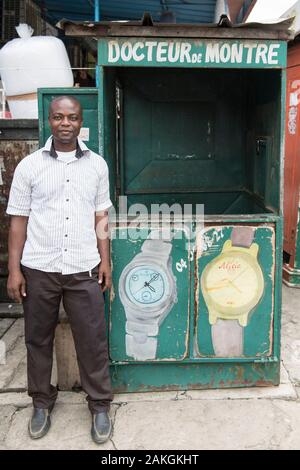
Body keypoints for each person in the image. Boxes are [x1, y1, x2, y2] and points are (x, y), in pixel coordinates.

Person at [6, 96, 113, 444]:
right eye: (58, 117)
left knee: (92, 339)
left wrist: (105, 259)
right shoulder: (29, 166)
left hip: (83, 267)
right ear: (49, 121)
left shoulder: (97, 165)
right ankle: (41, 401)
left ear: (81, 122)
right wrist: (14, 270)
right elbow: (18, 220)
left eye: (72, 117)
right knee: (37, 338)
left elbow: (101, 216)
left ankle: (98, 406)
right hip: (40, 268)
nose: (65, 123)